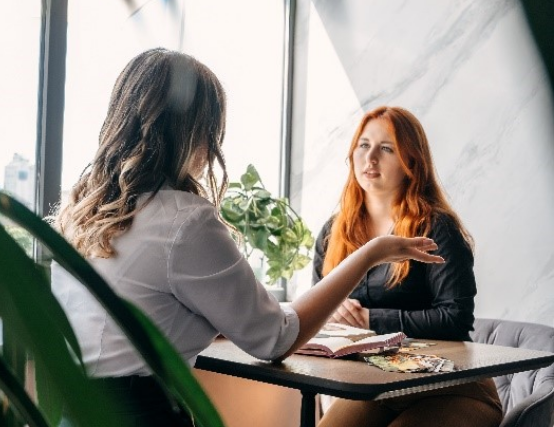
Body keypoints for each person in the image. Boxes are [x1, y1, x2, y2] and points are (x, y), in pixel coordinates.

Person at [50, 49, 444, 427]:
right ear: (193, 131)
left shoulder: (81, 212)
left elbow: (141, 306)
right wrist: (370, 255)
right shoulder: (185, 220)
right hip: (142, 414)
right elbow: (274, 339)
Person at [312, 106, 503, 427]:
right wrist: (332, 315)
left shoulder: (437, 227)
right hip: (378, 387)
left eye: (386, 149)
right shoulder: (333, 233)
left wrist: (370, 319)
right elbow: (318, 314)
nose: (370, 157)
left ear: (411, 162)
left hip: (453, 388)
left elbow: (454, 319)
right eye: (363, 145)